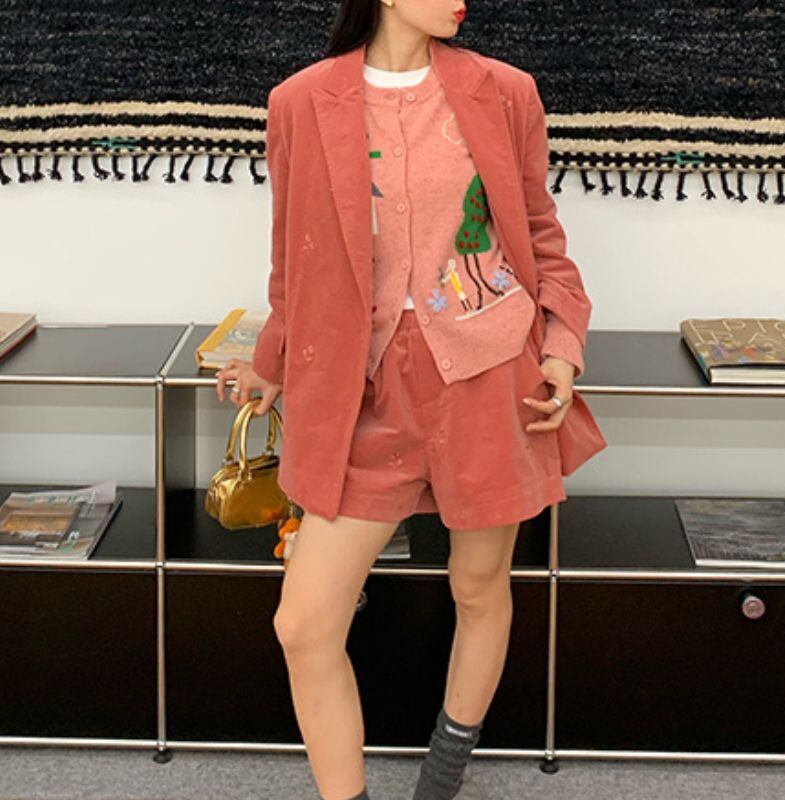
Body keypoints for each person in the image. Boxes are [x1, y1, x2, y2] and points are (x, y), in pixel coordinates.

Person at [216, 1, 606, 798]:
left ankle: (442, 777)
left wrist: (562, 350)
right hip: (360, 391)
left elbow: (540, 235)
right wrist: (271, 363)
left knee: (478, 586)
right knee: (304, 623)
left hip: (489, 378)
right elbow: (294, 257)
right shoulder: (299, 102)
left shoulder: (505, 91)